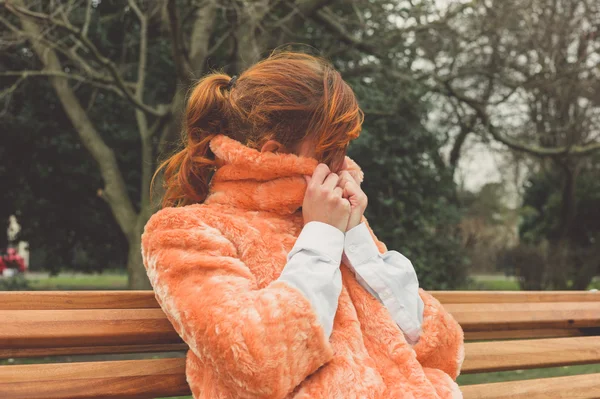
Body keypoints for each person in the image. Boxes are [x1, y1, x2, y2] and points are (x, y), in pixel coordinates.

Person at [142, 51, 463, 399]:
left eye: (345, 147)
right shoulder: (183, 232)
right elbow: (258, 364)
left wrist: (358, 242)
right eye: (330, 150)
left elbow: (441, 352)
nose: (343, 164)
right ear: (276, 151)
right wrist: (322, 239)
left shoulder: (332, 220)